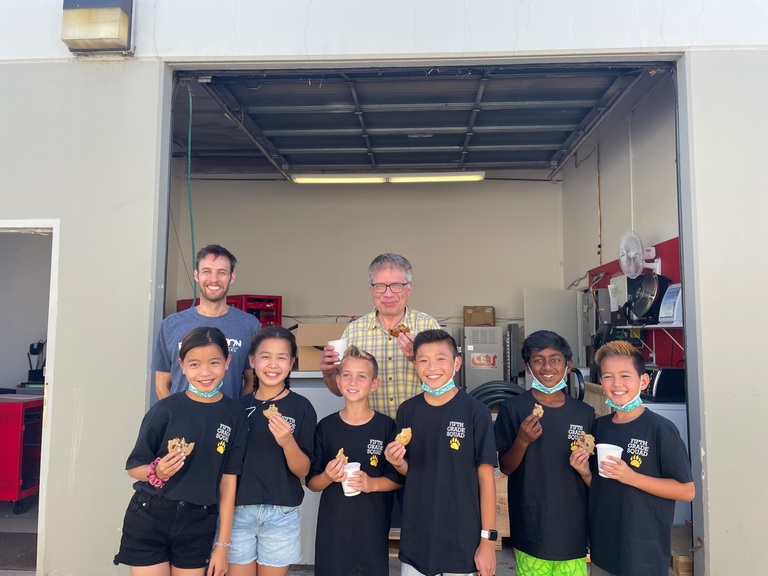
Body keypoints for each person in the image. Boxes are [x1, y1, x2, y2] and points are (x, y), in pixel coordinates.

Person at [114, 326, 248, 576]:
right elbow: (134, 467)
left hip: (200, 521)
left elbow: (229, 480)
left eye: (214, 362)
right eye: (194, 364)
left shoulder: (235, 414)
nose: (205, 372)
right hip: (150, 514)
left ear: (228, 363)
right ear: (182, 365)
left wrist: (222, 545)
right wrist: (158, 471)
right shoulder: (165, 409)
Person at [570, 340, 695, 576]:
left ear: (643, 381)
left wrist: (632, 477)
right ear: (601, 383)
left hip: (643, 554)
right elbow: (603, 487)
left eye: (625, 375)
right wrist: (585, 473)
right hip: (604, 550)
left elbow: (686, 491)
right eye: (608, 376)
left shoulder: (660, 430)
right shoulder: (599, 427)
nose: (616, 384)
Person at [385, 329, 497, 576]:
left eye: (441, 358)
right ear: (415, 364)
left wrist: (488, 542)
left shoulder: (475, 412)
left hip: (462, 539)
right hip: (418, 537)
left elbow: (487, 479)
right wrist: (398, 463)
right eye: (423, 359)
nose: (431, 367)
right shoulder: (408, 411)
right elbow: (411, 473)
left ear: (457, 363)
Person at [494, 330, 595, 576]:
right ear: (528, 368)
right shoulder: (513, 409)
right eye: (538, 360)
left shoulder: (584, 413)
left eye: (555, 359)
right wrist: (522, 440)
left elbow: (593, 473)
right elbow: (506, 467)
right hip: (531, 525)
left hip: (574, 527)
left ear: (568, 365)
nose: (547, 367)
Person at [228, 327, 317, 576]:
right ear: (252, 361)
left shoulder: (302, 407)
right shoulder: (238, 408)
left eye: (282, 357)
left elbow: (303, 470)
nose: (273, 364)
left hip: (281, 513)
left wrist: (287, 441)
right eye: (265, 356)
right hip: (238, 511)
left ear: (291, 364)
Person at [307, 345, 402, 576]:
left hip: (373, 527)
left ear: (374, 384)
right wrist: (328, 476)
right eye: (347, 375)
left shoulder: (386, 427)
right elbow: (312, 483)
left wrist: (372, 484)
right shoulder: (326, 427)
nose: (353, 382)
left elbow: (399, 477)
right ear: (338, 381)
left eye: (362, 376)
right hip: (333, 529)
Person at [320, 253, 440, 420]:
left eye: (397, 285)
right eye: (380, 286)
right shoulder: (353, 332)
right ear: (371, 289)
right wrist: (328, 373)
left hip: (420, 427)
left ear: (409, 289)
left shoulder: (428, 327)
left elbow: (444, 388)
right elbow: (339, 391)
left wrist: (417, 359)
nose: (388, 294)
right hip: (370, 432)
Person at [152, 244, 261, 400]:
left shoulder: (249, 325)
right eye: (207, 271)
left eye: (222, 272)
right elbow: (161, 384)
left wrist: (237, 413)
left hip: (230, 422)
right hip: (183, 421)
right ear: (196, 275)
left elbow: (252, 381)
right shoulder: (170, 325)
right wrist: (176, 416)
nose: (214, 279)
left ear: (232, 277)